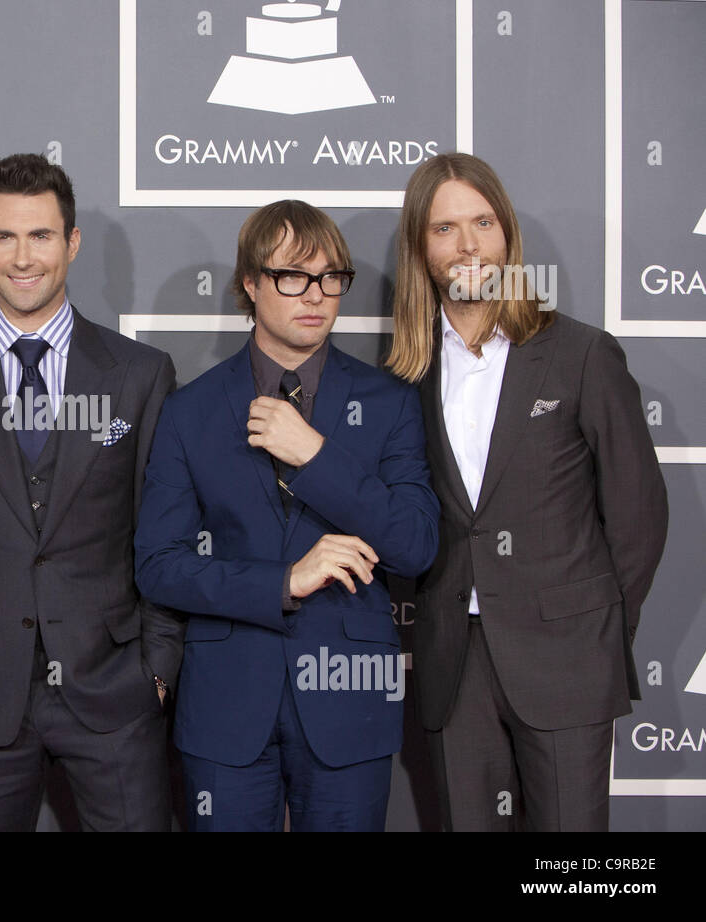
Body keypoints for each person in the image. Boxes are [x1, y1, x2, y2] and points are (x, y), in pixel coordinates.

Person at [0, 153, 183, 831]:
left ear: (72, 243)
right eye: (5, 237)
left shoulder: (139, 374)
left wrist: (157, 671)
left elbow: (163, 534)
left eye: (41, 236)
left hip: (113, 690)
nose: (23, 258)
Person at [134, 200, 439, 831]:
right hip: (225, 702)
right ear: (250, 282)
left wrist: (318, 456)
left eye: (332, 278)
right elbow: (160, 566)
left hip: (350, 700)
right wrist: (283, 582)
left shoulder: (388, 400)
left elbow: (415, 544)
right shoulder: (190, 410)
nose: (317, 295)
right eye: (292, 276)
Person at [388, 153, 668, 831]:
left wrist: (592, 627)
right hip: (454, 665)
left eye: (482, 221)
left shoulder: (581, 355)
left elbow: (638, 517)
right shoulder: (403, 378)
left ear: (507, 234)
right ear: (421, 251)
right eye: (445, 228)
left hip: (568, 656)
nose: (468, 244)